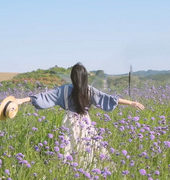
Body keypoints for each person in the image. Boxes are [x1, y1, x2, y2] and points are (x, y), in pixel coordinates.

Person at [14, 63, 144, 169]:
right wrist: (131, 102)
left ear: (72, 77)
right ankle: (90, 170)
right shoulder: (90, 90)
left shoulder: (64, 90)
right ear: (85, 77)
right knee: (90, 148)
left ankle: (70, 170)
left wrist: (22, 100)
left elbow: (44, 97)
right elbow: (108, 99)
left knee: (70, 147)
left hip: (69, 121)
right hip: (86, 122)